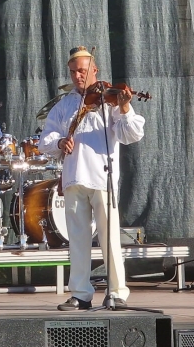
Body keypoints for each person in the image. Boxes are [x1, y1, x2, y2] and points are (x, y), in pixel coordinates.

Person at [38, 46, 145, 310]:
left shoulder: (110, 101)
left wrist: (125, 106)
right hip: (74, 177)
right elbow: (45, 140)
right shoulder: (64, 105)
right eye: (73, 72)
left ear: (94, 70)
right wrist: (60, 142)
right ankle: (81, 294)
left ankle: (117, 292)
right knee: (77, 239)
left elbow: (131, 134)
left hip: (102, 176)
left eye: (82, 71)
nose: (78, 76)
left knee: (110, 238)